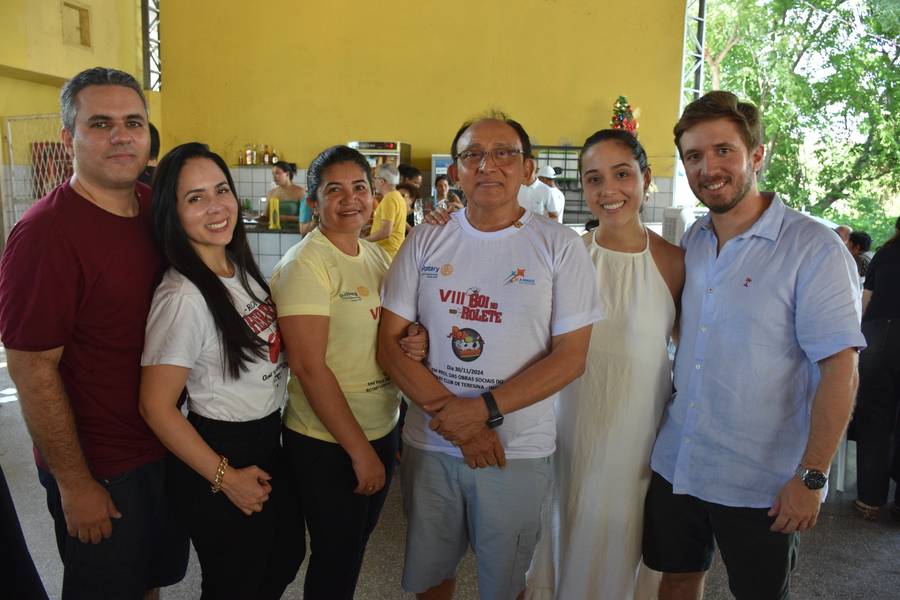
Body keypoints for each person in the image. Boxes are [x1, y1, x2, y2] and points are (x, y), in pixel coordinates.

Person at [643, 91, 864, 600]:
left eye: (723, 151)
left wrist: (812, 476)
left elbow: (841, 370)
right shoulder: (696, 240)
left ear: (757, 154)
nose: (708, 168)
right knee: (676, 579)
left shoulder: (814, 248)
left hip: (762, 477)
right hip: (681, 459)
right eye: (694, 156)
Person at [377, 112, 601, 600]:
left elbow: (570, 359)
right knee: (431, 577)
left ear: (528, 170)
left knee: (506, 582)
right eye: (473, 155)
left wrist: (481, 415)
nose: (488, 165)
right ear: (456, 171)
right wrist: (460, 425)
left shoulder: (560, 246)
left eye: (504, 153)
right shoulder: (425, 237)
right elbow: (389, 348)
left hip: (515, 449)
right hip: (432, 443)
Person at [0, 66, 189, 599]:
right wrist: (75, 483)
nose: (122, 135)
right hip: (102, 465)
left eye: (133, 121)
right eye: (100, 123)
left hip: (163, 446)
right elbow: (31, 367)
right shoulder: (44, 235)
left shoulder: (157, 209)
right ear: (69, 138)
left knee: (150, 584)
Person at [139, 143, 305, 598]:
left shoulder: (239, 270)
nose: (217, 207)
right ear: (172, 213)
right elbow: (156, 407)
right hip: (221, 448)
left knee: (283, 558)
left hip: (268, 438)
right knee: (236, 584)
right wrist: (226, 478)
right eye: (195, 198)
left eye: (222, 190)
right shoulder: (183, 297)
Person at [527, 129, 684, 600]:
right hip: (571, 422)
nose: (608, 190)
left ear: (645, 178)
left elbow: (696, 348)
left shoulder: (674, 262)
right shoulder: (567, 252)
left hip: (639, 430)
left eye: (622, 174)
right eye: (594, 179)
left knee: (624, 527)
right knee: (568, 515)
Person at [271, 145, 427, 600]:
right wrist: (359, 453)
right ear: (315, 202)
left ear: (374, 197)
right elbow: (308, 366)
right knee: (335, 558)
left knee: (353, 548)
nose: (350, 198)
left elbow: (391, 329)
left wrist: (414, 337)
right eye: (333, 190)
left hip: (381, 426)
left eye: (359, 187)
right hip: (328, 442)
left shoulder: (373, 256)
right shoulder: (306, 265)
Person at [854, 216, 900, 522]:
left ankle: (870, 499)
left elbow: (865, 301)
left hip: (880, 337)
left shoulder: (886, 253)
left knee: (875, 419)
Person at [365, 163, 407, 258]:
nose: (373, 181)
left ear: (382, 181)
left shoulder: (389, 199)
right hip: (392, 253)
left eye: (375, 178)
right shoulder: (398, 197)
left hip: (386, 254)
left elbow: (386, 232)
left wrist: (363, 242)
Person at [268, 160, 315, 234]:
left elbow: (307, 218)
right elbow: (266, 215)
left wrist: (286, 218)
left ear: (287, 174)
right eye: (273, 174)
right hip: (274, 232)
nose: (274, 177)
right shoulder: (271, 193)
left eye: (277, 173)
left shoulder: (300, 192)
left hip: (295, 232)